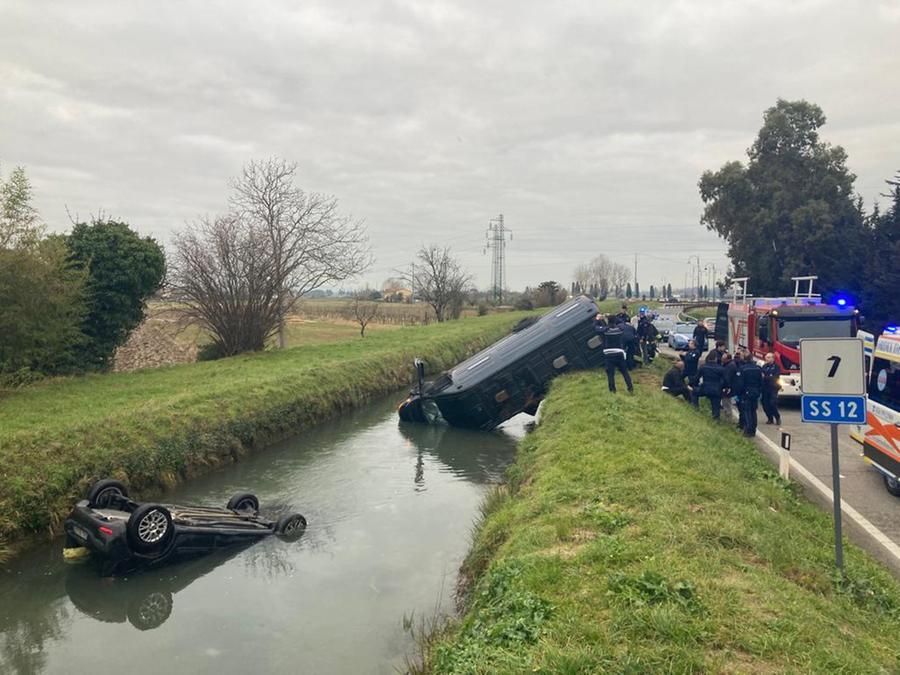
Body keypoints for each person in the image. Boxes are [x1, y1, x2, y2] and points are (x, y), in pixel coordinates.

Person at [599, 317, 633, 394]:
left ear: (608, 321)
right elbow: (622, 323)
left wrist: (597, 320)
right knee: (625, 372)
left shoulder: (606, 330)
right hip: (619, 353)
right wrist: (616, 318)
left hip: (609, 354)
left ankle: (612, 391)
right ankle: (630, 388)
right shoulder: (620, 329)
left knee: (610, 374)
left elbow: (596, 328)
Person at [737, 351, 763, 437]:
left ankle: (748, 429)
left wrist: (739, 394)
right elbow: (761, 381)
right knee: (753, 411)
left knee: (746, 411)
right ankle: (753, 429)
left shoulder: (742, 369)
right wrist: (759, 391)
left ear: (744, 359)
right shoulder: (758, 369)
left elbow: (740, 383)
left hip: (746, 392)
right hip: (755, 392)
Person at [761, 352, 782, 425]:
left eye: (768, 357)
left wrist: (766, 377)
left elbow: (775, 377)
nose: (766, 359)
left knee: (772, 403)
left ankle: (777, 417)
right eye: (766, 357)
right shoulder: (764, 366)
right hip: (765, 388)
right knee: (765, 404)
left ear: (772, 358)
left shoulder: (776, 367)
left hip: (773, 388)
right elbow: (762, 376)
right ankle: (770, 418)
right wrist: (768, 376)